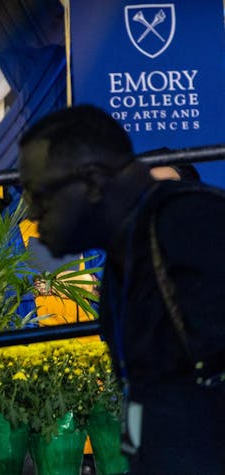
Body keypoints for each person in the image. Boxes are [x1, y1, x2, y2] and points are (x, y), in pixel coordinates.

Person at [18, 104, 225, 473]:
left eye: (41, 194)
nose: (32, 213)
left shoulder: (192, 226)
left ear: (94, 182)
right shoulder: (125, 250)